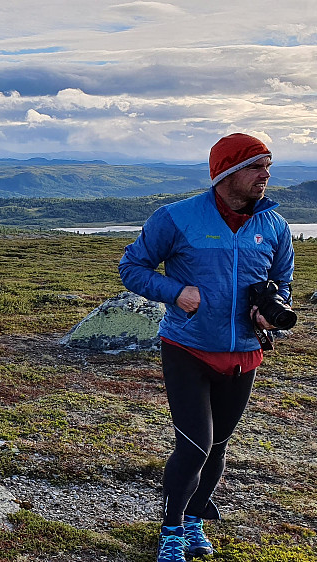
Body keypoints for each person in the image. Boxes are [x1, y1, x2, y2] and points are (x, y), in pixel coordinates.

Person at [118, 133, 295, 562]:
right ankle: (172, 530)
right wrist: (176, 292)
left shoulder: (274, 225)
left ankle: (196, 520)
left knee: (217, 447)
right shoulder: (176, 218)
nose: (266, 175)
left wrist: (269, 310)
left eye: (267, 166)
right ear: (227, 173)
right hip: (189, 348)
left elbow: (283, 283)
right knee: (196, 443)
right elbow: (132, 267)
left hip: (244, 354)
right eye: (256, 167)